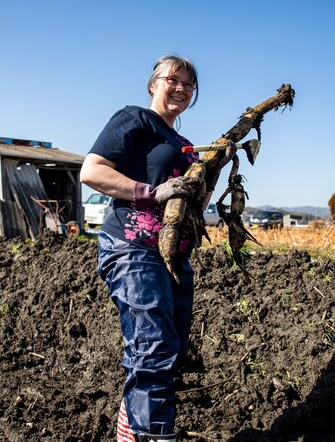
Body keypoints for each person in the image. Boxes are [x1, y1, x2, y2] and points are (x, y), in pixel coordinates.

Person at [80, 55, 234, 442]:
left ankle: (131, 427)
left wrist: (212, 168)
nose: (181, 88)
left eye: (189, 84)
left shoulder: (185, 146)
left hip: (175, 257)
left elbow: (195, 205)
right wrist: (151, 192)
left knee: (171, 351)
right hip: (132, 248)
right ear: (154, 84)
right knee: (154, 346)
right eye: (173, 79)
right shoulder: (134, 119)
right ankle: (153, 436)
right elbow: (92, 171)